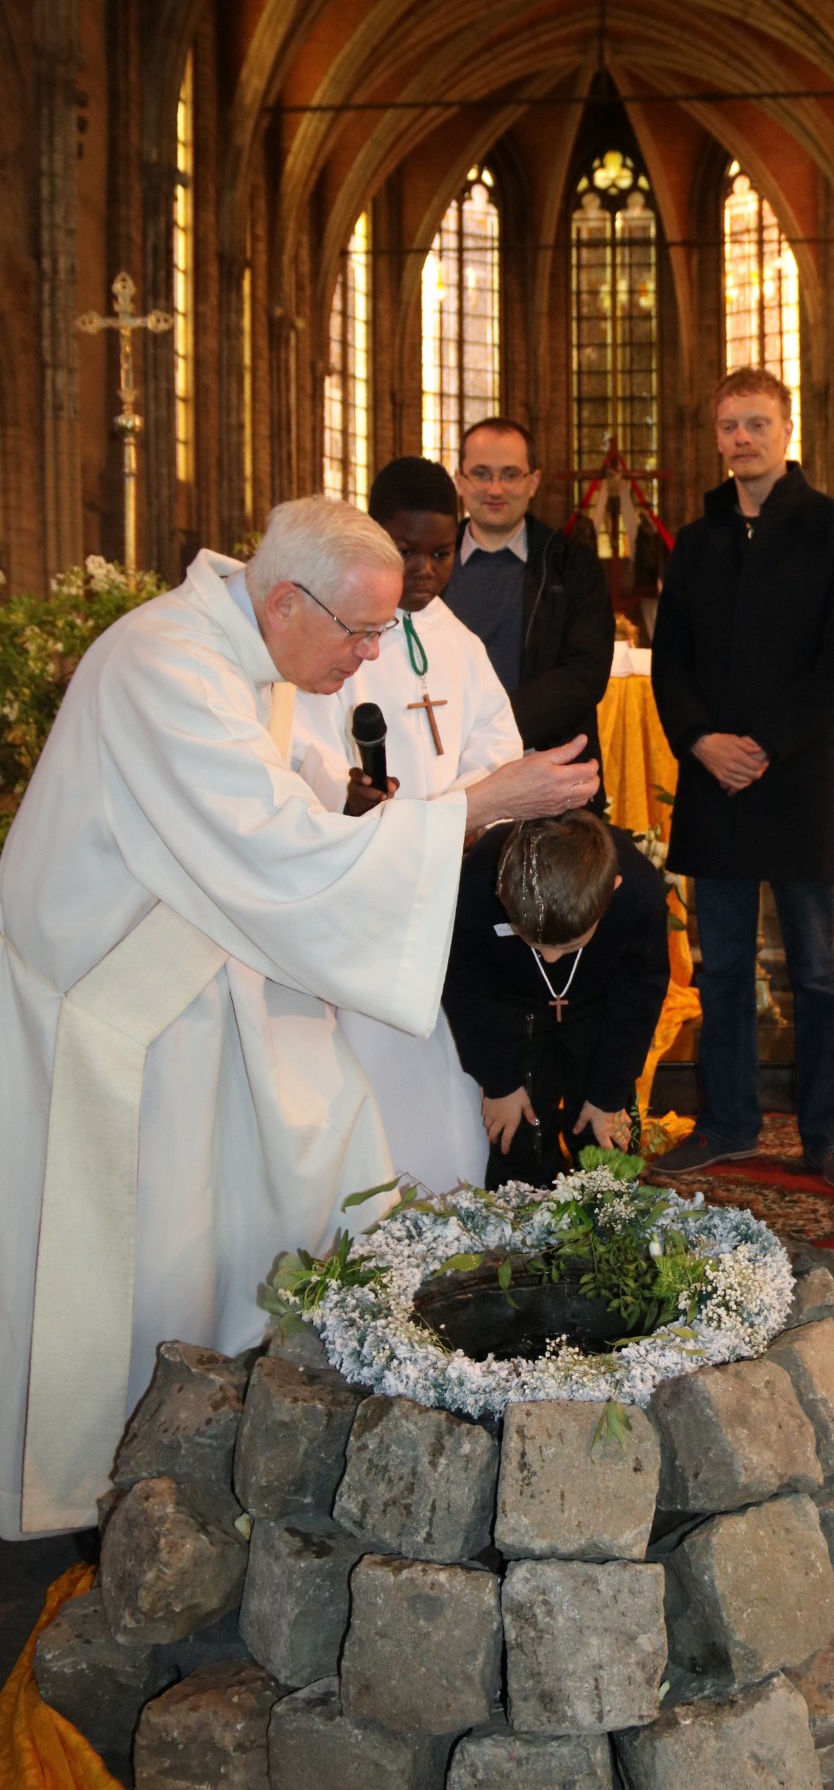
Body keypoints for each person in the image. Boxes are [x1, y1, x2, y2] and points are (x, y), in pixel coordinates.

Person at [0, 496, 598, 1538]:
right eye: (360, 633)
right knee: (153, 1248)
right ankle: (111, 1482)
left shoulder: (238, 656)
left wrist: (387, 808)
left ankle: (242, 1443)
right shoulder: (165, 668)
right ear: (284, 600)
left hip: (201, 976)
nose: (370, 661)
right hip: (115, 1010)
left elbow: (290, 800)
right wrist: (476, 805)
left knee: (315, 1158)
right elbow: (273, 848)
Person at [648, 367, 834, 1188]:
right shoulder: (696, 540)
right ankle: (729, 1122)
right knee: (724, 971)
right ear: (715, 437)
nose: (741, 438)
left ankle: (829, 1131)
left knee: (814, 972)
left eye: (757, 423)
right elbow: (670, 660)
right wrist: (704, 740)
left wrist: (764, 746)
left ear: (787, 432)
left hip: (796, 776)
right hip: (716, 782)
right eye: (729, 425)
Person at [291, 458, 523, 1193]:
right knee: (370, 1054)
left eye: (440, 552)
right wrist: (346, 796)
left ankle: (450, 1190)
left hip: (446, 875)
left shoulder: (459, 642)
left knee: (448, 1049)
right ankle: (367, 1197)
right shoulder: (337, 627)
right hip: (367, 879)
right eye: (405, 550)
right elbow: (304, 740)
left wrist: (466, 818)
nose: (423, 570)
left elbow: (497, 746)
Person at [443, 812, 670, 1190]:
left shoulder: (639, 891)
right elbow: (464, 988)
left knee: (605, 1141)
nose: (551, 958)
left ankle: (604, 1225)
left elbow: (640, 994)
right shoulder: (474, 883)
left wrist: (610, 1093)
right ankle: (525, 1227)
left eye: (569, 945)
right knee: (516, 1137)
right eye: (532, 941)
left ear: (612, 889)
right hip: (510, 1001)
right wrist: (497, 1083)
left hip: (600, 1003)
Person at [444, 416, 614, 788]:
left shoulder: (572, 565)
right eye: (481, 473)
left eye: (510, 474)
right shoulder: (427, 566)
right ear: (459, 479)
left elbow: (585, 672)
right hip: (442, 771)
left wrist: (493, 732)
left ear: (533, 481)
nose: (495, 488)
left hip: (545, 766)